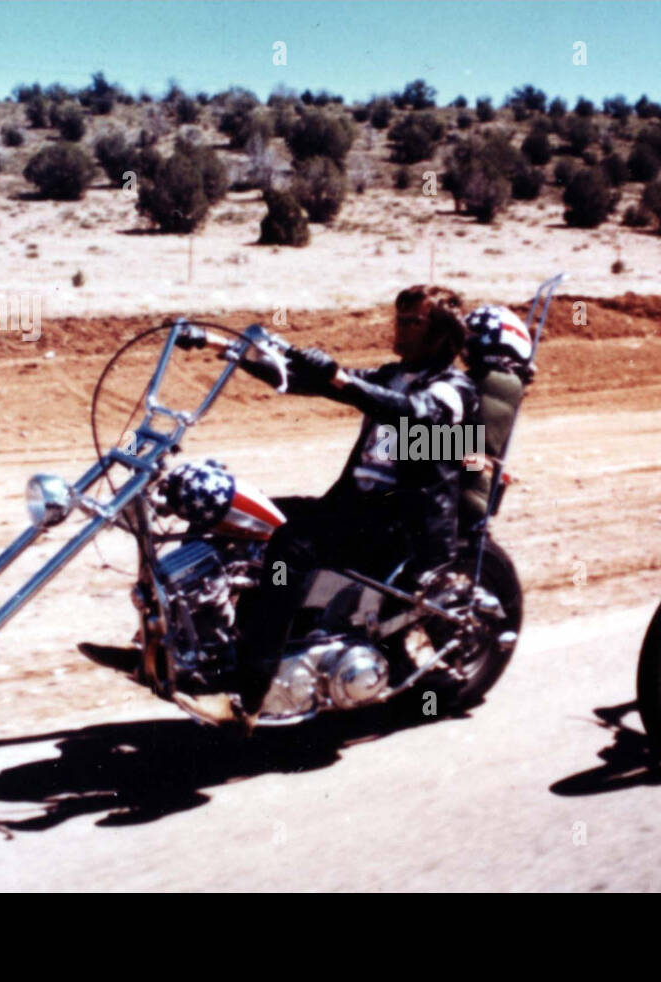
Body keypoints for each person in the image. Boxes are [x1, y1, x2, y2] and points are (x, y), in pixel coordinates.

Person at [191, 284, 481, 724]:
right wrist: (227, 347)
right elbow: (320, 383)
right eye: (397, 318)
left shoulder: (453, 390)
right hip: (356, 508)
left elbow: (412, 412)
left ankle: (248, 696)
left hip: (399, 523)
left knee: (289, 547)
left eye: (411, 322)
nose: (398, 329)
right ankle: (191, 651)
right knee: (236, 515)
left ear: (441, 334)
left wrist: (341, 379)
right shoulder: (394, 374)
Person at [459, 304, 535, 528]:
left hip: (463, 492)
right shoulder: (496, 381)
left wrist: (407, 442)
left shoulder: (493, 383)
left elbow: (473, 450)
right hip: (460, 487)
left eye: (472, 336)